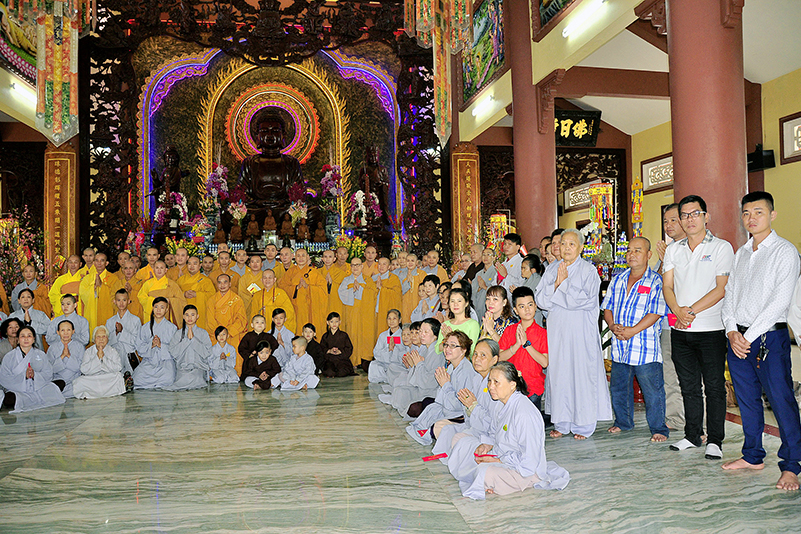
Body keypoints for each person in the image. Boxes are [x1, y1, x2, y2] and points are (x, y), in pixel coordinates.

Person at [721, 192, 801, 491]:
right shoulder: (741, 253)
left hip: (769, 337)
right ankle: (752, 455)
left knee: (781, 400)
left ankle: (792, 465)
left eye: (758, 212)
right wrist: (732, 331)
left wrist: (747, 336)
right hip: (738, 338)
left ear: (772, 215)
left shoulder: (785, 251)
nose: (751, 218)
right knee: (747, 400)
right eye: (746, 213)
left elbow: (780, 301)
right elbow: (730, 295)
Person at [662, 195, 734, 459]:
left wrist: (689, 311)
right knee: (688, 386)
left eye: (695, 214)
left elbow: (721, 288)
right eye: (685, 215)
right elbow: (667, 286)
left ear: (706, 216)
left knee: (714, 386)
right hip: (681, 331)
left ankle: (715, 440)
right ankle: (692, 434)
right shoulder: (674, 250)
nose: (689, 219)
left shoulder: (721, 247)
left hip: (710, 329)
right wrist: (677, 311)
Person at [446, 361, 570, 500]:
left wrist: (498, 460)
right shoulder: (501, 404)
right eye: (489, 381)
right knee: (464, 444)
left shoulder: (524, 414)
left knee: (484, 471)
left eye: (496, 382)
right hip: (502, 455)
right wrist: (487, 445)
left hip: (523, 470)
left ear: (512, 385)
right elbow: (495, 432)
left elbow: (528, 459)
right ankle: (491, 482)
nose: (490, 386)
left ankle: (504, 482)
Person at [535, 228, 612, 439]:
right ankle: (562, 423)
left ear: (580, 248)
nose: (566, 248)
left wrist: (562, 285)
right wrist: (556, 284)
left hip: (580, 334)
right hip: (558, 333)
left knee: (581, 376)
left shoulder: (588, 271)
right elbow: (540, 300)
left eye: (571, 244)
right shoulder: (552, 269)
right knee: (560, 375)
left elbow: (585, 301)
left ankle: (584, 425)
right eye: (563, 244)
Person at [602, 237, 670, 442]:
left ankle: (659, 428)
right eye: (629, 250)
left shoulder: (656, 281)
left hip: (644, 346)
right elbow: (608, 307)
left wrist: (633, 331)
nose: (631, 254)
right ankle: (623, 422)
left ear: (649, 255)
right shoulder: (618, 279)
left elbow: (656, 312)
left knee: (652, 391)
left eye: (637, 250)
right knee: (619, 388)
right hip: (620, 345)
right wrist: (612, 325)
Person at [406, 330, 480, 445]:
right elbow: (440, 397)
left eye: (453, 346)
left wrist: (445, 385)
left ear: (463, 350)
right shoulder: (451, 366)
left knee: (434, 427)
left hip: (459, 414)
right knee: (426, 413)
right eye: (446, 345)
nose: (447, 349)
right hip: (446, 407)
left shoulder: (466, 371)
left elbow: (459, 406)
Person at [432, 339, 501, 459]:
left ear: (494, 360)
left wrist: (473, 406)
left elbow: (493, 422)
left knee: (458, 440)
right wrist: (469, 408)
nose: (477, 359)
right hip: (473, 425)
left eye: (483, 355)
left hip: (489, 434)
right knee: (446, 430)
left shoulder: (496, 385)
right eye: (475, 354)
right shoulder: (477, 378)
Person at [655, 203, 687, 431]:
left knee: (694, 376)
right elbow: (658, 285)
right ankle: (676, 418)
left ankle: (700, 422)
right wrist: (665, 261)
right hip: (668, 322)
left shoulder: (696, 247)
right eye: (666, 221)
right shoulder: (668, 250)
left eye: (673, 220)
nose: (668, 225)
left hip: (692, 321)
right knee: (670, 373)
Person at [379, 318, 443, 417]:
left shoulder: (436, 353)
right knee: (399, 390)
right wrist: (414, 366)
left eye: (426, 332)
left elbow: (429, 382)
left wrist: (418, 364)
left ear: (435, 335)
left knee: (404, 397)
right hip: (420, 388)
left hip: (429, 392)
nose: (421, 335)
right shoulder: (428, 349)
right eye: (421, 331)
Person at [499, 287, 549, 409]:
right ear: (516, 310)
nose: (527, 309)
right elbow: (499, 358)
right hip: (511, 387)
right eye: (522, 306)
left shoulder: (542, 333)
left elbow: (544, 363)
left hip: (533, 388)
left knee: (531, 420)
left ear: (536, 306)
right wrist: (516, 345)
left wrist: (526, 344)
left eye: (530, 305)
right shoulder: (510, 330)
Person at [0, 325, 66, 413]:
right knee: (9, 399)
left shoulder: (41, 354)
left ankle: (28, 400)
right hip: (19, 390)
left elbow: (48, 373)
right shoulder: (9, 356)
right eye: (22, 336)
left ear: (34, 339)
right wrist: (24, 377)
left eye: (29, 336)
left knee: (60, 382)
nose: (26, 339)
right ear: (18, 339)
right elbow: (4, 377)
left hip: (38, 387)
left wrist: (35, 375)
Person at [338, 258, 377, 369]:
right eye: (353, 265)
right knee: (352, 333)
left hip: (365, 311)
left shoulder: (368, 280)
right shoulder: (346, 280)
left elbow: (373, 293)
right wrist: (353, 290)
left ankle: (364, 358)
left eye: (357, 265)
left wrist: (361, 289)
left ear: (362, 266)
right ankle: (353, 360)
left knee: (364, 334)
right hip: (351, 311)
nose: (355, 267)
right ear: (350, 267)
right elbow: (341, 293)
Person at [206, 274, 248, 374]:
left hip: (231, 334)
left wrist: (228, 333)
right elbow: (210, 320)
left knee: (235, 348)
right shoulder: (211, 300)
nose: (222, 285)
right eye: (219, 282)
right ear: (217, 285)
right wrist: (220, 334)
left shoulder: (237, 299)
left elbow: (241, 319)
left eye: (225, 282)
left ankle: (235, 373)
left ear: (229, 284)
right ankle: (214, 374)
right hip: (217, 334)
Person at [277, 248, 327, 334]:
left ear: (307, 257)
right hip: (295, 309)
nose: (301, 258)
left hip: (310, 309)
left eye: (303, 256)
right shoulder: (290, 272)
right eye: (298, 256)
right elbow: (282, 287)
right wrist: (296, 288)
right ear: (295, 258)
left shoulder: (314, 272)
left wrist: (309, 287)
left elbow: (323, 289)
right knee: (297, 332)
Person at [132, 297, 178, 389]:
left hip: (165, 362)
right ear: (152, 308)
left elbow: (176, 349)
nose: (158, 310)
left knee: (168, 379)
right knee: (136, 378)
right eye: (156, 307)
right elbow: (139, 347)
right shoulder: (145, 327)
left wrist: (161, 345)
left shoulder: (172, 328)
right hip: (149, 361)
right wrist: (151, 345)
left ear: (166, 310)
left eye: (162, 307)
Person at [72, 325, 126, 399]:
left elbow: (118, 368)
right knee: (79, 381)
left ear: (107, 339)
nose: (101, 339)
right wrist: (97, 358)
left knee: (118, 376)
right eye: (98, 337)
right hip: (93, 379)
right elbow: (83, 370)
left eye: (104, 336)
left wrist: (104, 358)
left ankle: (94, 393)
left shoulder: (113, 351)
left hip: (108, 378)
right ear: (94, 339)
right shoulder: (88, 352)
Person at [167, 305, 212, 391]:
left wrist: (193, 340)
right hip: (183, 368)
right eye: (187, 315)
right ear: (183, 317)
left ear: (197, 316)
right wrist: (186, 341)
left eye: (192, 315)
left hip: (198, 368)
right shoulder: (178, 333)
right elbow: (173, 352)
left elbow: (207, 352)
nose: (190, 317)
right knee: (183, 380)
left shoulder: (203, 333)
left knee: (196, 379)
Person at [105, 289, 141, 389]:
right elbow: (106, 342)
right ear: (114, 301)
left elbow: (137, 342)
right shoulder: (110, 321)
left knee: (136, 379)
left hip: (130, 354)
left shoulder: (135, 320)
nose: (121, 303)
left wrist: (122, 331)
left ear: (129, 301)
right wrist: (116, 333)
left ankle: (127, 379)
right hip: (115, 354)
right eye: (118, 300)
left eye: (124, 300)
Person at [78, 252, 123, 332]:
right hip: (92, 313)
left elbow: (116, 296)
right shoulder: (87, 278)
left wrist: (102, 286)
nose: (99, 263)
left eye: (102, 260)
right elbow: (83, 294)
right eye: (97, 260)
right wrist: (93, 288)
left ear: (106, 263)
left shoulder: (113, 278)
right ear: (94, 263)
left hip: (106, 313)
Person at [138, 260, 186, 325]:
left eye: (161, 268)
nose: (159, 270)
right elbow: (141, 297)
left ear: (166, 270)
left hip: (167, 316)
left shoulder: (172, 284)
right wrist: (153, 300)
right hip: (151, 316)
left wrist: (169, 300)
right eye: (157, 268)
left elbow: (181, 301)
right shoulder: (147, 284)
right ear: (153, 269)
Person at [46, 320, 84, 398]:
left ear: (73, 331)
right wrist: (62, 356)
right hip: (58, 381)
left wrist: (69, 356)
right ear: (58, 332)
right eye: (62, 330)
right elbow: (49, 369)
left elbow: (82, 368)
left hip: (75, 381)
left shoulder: (80, 346)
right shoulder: (52, 348)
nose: (66, 333)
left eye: (68, 330)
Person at [177, 256, 216, 331]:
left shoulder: (206, 280)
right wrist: (184, 294)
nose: (192, 266)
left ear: (200, 265)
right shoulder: (180, 280)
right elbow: (175, 294)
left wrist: (197, 294)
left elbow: (212, 296)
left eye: (195, 264)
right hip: (184, 312)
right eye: (189, 264)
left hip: (200, 314)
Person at [368, 309, 404, 384]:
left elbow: (405, 351)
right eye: (389, 318)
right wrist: (388, 350)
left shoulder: (403, 335)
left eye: (394, 318)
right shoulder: (383, 335)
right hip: (383, 362)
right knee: (373, 364)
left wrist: (394, 350)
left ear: (400, 320)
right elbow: (376, 352)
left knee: (394, 368)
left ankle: (389, 378)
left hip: (397, 363)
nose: (391, 321)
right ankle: (383, 378)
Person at [318, 249, 348, 325]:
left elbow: (345, 289)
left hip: (335, 302)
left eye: (330, 257)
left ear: (334, 259)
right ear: (322, 259)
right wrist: (324, 283)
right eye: (325, 257)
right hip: (321, 303)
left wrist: (332, 283)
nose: (327, 259)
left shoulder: (340, 273)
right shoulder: (317, 272)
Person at [319, 312, 355, 378]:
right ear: (328, 322)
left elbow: (349, 348)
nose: (334, 324)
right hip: (330, 360)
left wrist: (340, 351)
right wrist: (329, 351)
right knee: (329, 372)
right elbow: (321, 348)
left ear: (340, 322)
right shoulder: (325, 336)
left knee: (342, 372)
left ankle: (337, 372)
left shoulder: (344, 335)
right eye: (332, 321)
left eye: (336, 321)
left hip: (341, 359)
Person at [373, 257, 402, 335]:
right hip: (375, 311)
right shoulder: (373, 278)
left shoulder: (394, 279)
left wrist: (381, 288)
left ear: (389, 266)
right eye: (379, 264)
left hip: (387, 311)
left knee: (388, 333)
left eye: (384, 264)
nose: (381, 266)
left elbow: (397, 295)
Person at [398, 253, 425, 324]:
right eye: (408, 261)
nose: (410, 263)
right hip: (405, 304)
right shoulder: (401, 275)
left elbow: (425, 291)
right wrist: (407, 282)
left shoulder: (422, 274)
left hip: (417, 303)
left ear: (416, 262)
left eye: (412, 261)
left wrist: (414, 280)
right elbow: (399, 291)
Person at [472, 248, 498, 318]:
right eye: (484, 255)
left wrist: (484, 287)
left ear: (494, 257)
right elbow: (473, 289)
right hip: (477, 304)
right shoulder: (478, 274)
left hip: (489, 305)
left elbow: (497, 290)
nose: (485, 257)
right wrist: (478, 288)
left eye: (488, 255)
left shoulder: (496, 272)